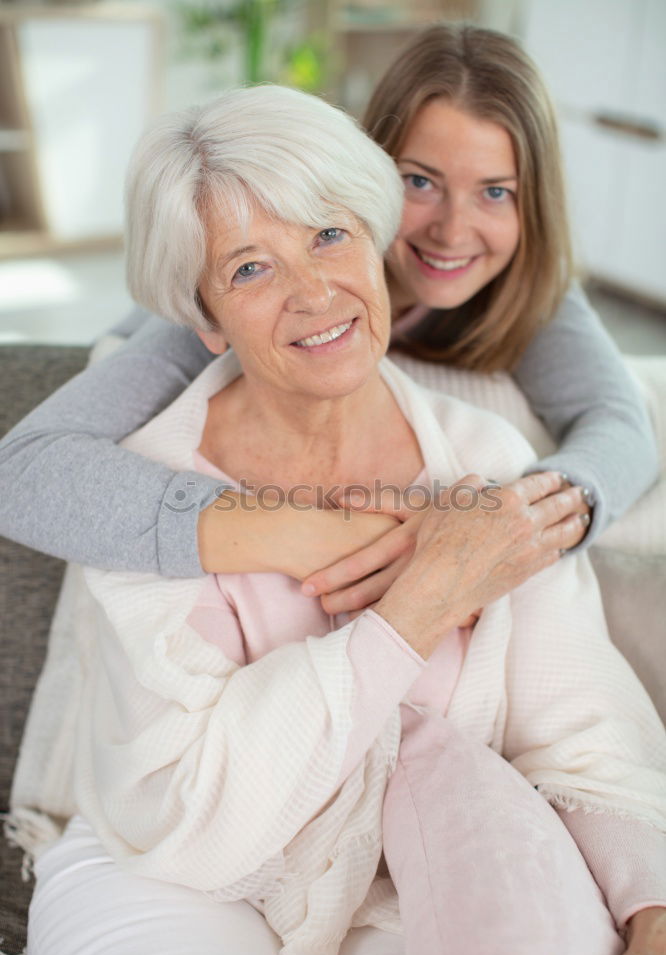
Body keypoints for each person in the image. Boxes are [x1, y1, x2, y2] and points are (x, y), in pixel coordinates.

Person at [17, 85, 666, 955]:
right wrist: (419, 599)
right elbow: (193, 806)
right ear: (201, 317)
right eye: (249, 268)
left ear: (375, 239)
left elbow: (584, 731)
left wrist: (654, 922)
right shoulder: (134, 485)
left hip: (398, 871)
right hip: (175, 870)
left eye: (329, 235)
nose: (314, 291)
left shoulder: (484, 461)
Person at [0, 25, 657, 615]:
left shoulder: (532, 293)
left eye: (495, 192)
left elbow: (621, 428)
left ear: (531, 205)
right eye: (419, 182)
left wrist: (514, 518)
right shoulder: (229, 306)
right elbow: (25, 472)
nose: (453, 230)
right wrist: (316, 532)